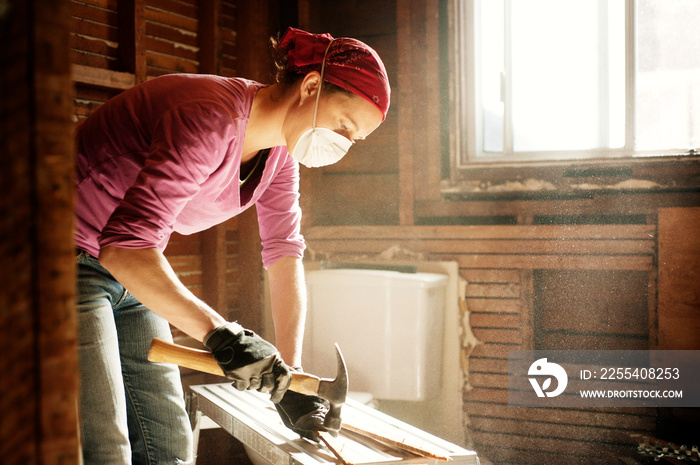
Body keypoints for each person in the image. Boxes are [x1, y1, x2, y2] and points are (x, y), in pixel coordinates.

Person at [73, 26, 390, 464]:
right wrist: (224, 336)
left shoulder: (281, 154)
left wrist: (287, 375)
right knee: (105, 446)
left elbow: (284, 252)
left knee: (168, 444)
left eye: (352, 139)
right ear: (312, 86)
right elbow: (125, 245)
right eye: (343, 124)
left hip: (131, 276)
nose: (342, 143)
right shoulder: (208, 117)